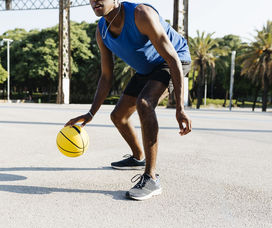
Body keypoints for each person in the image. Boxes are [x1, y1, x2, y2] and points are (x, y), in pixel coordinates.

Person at [65, 0, 192, 200]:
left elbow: (173, 58)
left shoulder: (141, 14)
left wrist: (180, 107)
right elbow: (106, 76)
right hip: (146, 69)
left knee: (144, 103)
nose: (95, 1)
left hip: (173, 60)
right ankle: (138, 157)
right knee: (118, 116)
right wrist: (90, 113)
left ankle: (151, 178)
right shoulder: (101, 31)